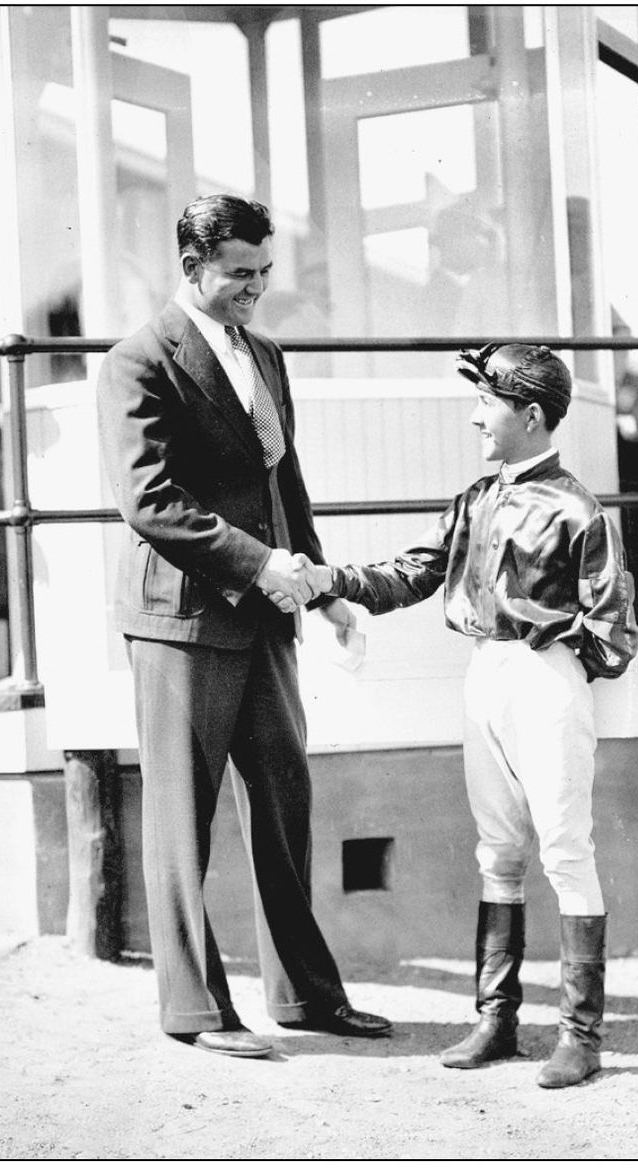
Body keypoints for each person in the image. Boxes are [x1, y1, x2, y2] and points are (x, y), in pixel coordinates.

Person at [289, 344, 638, 1087]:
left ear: (532, 414)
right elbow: (417, 569)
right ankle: (497, 1019)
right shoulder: (477, 498)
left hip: (547, 679)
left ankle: (581, 1036)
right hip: (484, 672)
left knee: (565, 851)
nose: (475, 414)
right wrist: (331, 581)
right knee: (497, 851)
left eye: (489, 402)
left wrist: (550, 648)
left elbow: (615, 631)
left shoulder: (579, 509)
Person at [96, 194, 392, 1058]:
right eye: (240, 275)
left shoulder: (263, 352)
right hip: (181, 619)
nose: (256, 290)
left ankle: (305, 995)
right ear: (192, 268)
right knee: (183, 818)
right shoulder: (138, 361)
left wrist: (326, 587)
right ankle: (195, 1011)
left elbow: (282, 488)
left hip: (266, 614)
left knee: (284, 800)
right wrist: (262, 565)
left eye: (265, 273)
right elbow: (150, 502)